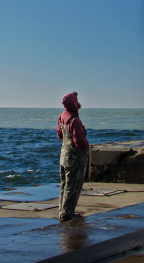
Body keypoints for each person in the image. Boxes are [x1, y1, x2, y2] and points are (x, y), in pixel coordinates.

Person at [57, 91, 89, 221]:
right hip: (75, 158)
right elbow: (79, 141)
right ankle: (67, 214)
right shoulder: (75, 120)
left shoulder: (61, 116)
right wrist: (86, 147)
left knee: (64, 184)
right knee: (73, 185)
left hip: (64, 155)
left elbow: (60, 135)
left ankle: (63, 210)